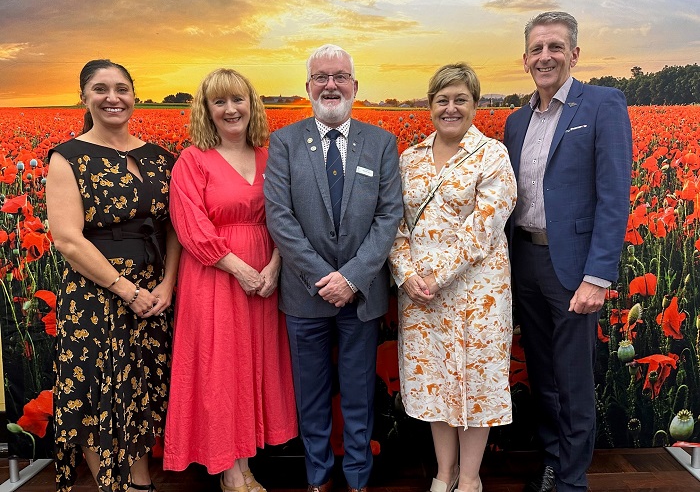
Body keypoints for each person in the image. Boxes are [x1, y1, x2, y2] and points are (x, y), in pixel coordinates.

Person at [503, 11, 633, 492]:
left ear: (574, 54)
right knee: (543, 374)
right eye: (537, 49)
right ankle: (554, 460)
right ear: (524, 59)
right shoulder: (517, 122)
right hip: (527, 263)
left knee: (573, 378)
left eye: (555, 47)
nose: (545, 57)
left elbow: (614, 196)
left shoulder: (601, 105)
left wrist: (598, 276)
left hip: (574, 267)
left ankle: (573, 480)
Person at [263, 44, 403, 492]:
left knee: (360, 394)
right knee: (312, 396)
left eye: (339, 76)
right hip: (305, 295)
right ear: (307, 87)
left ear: (355, 87)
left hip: (361, 296)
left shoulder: (380, 143)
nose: (330, 84)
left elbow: (389, 215)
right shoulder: (285, 142)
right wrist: (322, 278)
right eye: (321, 77)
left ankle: (358, 479)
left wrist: (352, 278)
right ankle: (318, 479)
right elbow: (279, 216)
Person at [47, 59, 181, 492]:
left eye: (121, 89)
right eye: (100, 89)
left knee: (140, 386)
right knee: (94, 390)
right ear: (84, 98)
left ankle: (140, 483)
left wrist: (166, 285)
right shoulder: (68, 158)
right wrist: (125, 289)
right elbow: (67, 239)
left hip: (152, 290)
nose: (112, 98)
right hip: (95, 293)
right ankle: (111, 486)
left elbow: (173, 229)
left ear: (134, 97)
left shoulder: (161, 159)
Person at [163, 68, 297, 492]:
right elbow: (190, 227)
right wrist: (239, 268)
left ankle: (246, 462)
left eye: (237, 99)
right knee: (221, 369)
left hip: (266, 275)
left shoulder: (269, 155)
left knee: (252, 366)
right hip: (216, 276)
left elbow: (287, 216)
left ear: (251, 105)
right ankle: (230, 472)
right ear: (206, 110)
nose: (229, 109)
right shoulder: (192, 160)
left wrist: (275, 264)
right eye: (218, 101)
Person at [389, 63, 517, 492]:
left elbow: (485, 225)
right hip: (421, 295)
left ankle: (470, 478)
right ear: (430, 106)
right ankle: (443, 474)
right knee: (435, 382)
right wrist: (406, 273)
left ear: (475, 104)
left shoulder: (493, 155)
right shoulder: (410, 159)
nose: (450, 108)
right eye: (442, 100)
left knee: (476, 381)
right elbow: (394, 224)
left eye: (460, 99)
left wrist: (434, 274)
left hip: (477, 292)